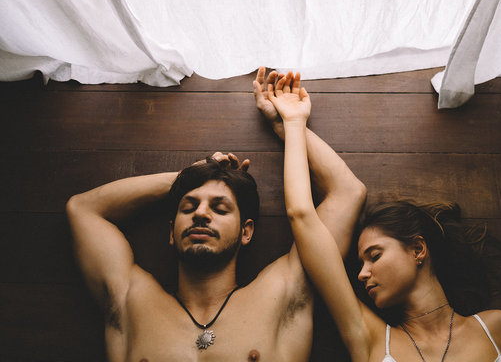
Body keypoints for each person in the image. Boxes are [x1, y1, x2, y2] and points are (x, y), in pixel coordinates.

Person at [65, 67, 366, 361]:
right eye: (188, 206)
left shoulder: (282, 294)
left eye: (219, 208)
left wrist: (286, 126)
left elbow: (347, 192)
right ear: (171, 232)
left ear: (246, 231)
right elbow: (83, 209)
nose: (200, 213)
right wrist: (187, 177)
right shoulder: (131, 300)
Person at [269, 72, 501, 362]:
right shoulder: (368, 338)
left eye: (374, 255)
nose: (361, 274)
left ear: (418, 249)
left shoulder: (496, 329)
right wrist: (292, 123)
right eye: (362, 263)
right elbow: (302, 216)